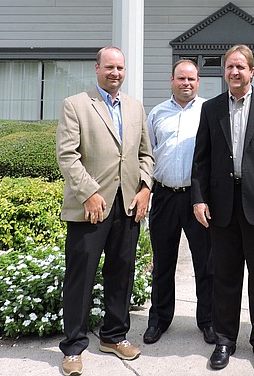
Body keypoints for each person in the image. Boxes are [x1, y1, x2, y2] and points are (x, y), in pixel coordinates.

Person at [191, 44, 254, 372]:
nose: (235, 72)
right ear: (225, 72)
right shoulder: (211, 109)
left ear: (252, 71)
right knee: (224, 276)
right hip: (221, 206)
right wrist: (198, 198)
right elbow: (201, 159)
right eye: (229, 67)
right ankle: (224, 340)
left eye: (240, 67)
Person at [56, 46, 154, 376]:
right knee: (80, 277)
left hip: (128, 206)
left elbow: (146, 156)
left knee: (122, 274)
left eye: (120, 68)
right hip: (90, 208)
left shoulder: (135, 107)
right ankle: (72, 347)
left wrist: (145, 188)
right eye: (109, 67)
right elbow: (67, 156)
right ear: (96, 68)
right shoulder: (76, 105)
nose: (115, 73)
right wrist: (89, 193)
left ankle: (114, 336)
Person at [143, 59, 215, 346]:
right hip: (163, 197)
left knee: (206, 263)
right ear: (171, 80)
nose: (186, 83)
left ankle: (207, 320)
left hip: (198, 200)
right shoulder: (157, 113)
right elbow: (147, 154)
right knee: (162, 262)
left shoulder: (208, 111)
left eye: (192, 79)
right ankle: (159, 319)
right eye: (181, 78)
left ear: (198, 82)